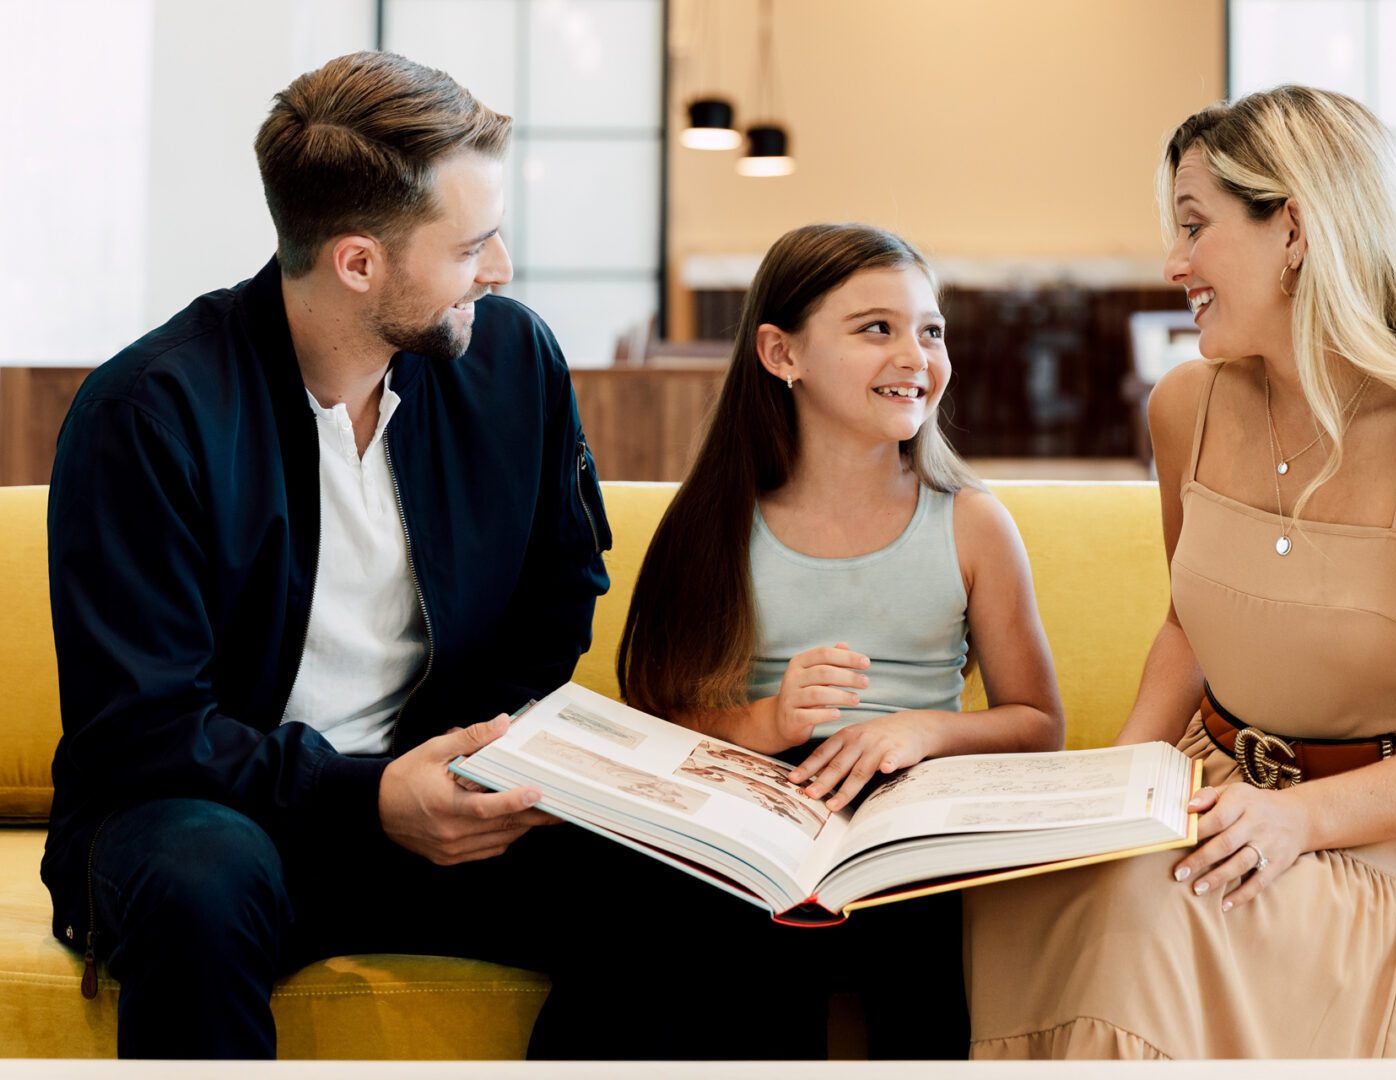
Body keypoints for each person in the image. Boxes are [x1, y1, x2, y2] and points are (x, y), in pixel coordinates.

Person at [41, 50, 778, 1061]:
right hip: (211, 813)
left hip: (435, 795)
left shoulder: (513, 362)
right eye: (473, 244)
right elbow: (145, 729)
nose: (502, 270)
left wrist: (465, 761)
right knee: (199, 890)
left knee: (698, 882)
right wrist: (367, 799)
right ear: (359, 262)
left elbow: (561, 593)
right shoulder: (147, 414)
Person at [963, 85, 1396, 1059]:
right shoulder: (1185, 407)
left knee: (1146, 904)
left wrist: (1297, 819)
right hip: (1222, 791)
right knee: (1017, 890)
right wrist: (1127, 772)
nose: (1173, 264)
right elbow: (1189, 622)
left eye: (1195, 227)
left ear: (1292, 229)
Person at [617, 222, 1066, 1057]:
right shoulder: (715, 520)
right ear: (782, 355)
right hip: (755, 806)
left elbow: (1039, 723)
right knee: (718, 921)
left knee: (917, 928)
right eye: (876, 329)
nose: (915, 354)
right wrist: (770, 724)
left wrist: (921, 729)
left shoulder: (970, 523)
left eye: (930, 329)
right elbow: (655, 719)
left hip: (912, 814)